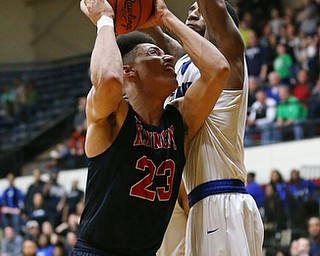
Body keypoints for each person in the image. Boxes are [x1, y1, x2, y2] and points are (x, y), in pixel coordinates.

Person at [73, 0, 229, 255]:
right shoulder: (112, 117)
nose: (168, 56)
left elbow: (219, 69)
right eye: (153, 53)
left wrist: (165, 17)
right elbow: (110, 79)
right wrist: (104, 19)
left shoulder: (179, 120)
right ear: (129, 72)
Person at [144, 1, 264, 255]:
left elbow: (216, 4)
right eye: (191, 8)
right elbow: (173, 47)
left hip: (223, 200)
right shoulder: (185, 66)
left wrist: (165, 17)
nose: (193, 11)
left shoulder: (229, 58)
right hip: (200, 203)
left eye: (201, 9)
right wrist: (153, 24)